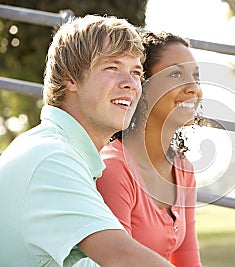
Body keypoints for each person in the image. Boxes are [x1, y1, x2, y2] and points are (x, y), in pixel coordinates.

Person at [0, 15, 173, 267]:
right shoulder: (53, 159)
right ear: (70, 77)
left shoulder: (59, 151)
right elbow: (123, 259)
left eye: (136, 72)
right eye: (112, 68)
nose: (131, 84)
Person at [96, 31, 202, 266]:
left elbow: (187, 260)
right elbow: (115, 261)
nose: (193, 87)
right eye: (176, 74)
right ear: (142, 86)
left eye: (195, 77)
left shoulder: (183, 171)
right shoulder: (114, 169)